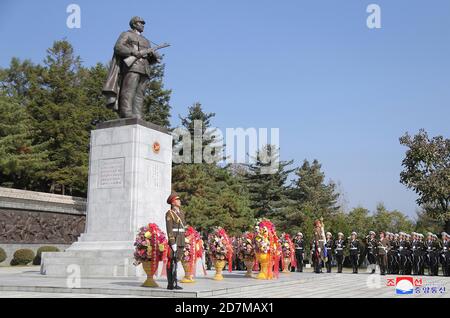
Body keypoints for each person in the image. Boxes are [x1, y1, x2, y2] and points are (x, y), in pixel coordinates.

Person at [103, 16, 161, 119]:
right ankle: (126, 112)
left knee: (140, 93)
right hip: (132, 67)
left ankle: (137, 114)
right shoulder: (126, 34)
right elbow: (118, 47)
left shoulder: (146, 41)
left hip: (145, 69)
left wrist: (154, 56)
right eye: (140, 23)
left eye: (143, 23)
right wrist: (132, 52)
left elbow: (149, 58)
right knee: (129, 90)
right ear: (134, 24)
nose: (143, 25)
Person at [165, 192, 186, 290]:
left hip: (181, 240)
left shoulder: (181, 213)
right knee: (171, 262)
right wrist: (172, 243)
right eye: (177, 200)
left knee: (176, 261)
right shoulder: (169, 214)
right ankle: (170, 284)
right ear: (173, 203)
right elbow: (169, 229)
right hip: (175, 240)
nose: (179, 201)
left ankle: (175, 282)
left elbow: (183, 227)